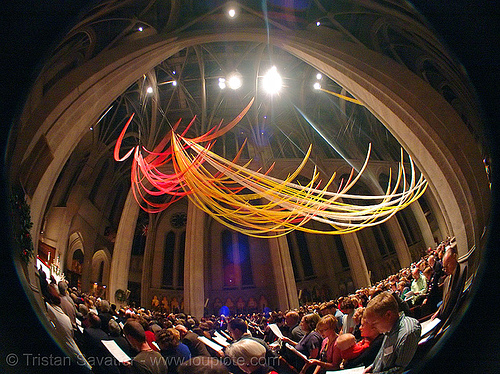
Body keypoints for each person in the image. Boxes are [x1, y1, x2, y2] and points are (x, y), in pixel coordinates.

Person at [362, 291, 420, 374]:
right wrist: (371, 367)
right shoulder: (389, 328)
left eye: (374, 323)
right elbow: (382, 357)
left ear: (388, 315)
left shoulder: (407, 333)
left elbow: (400, 370)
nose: (372, 328)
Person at [431, 244, 467, 325]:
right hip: (442, 318)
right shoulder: (447, 280)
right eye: (444, 267)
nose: (445, 270)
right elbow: (445, 301)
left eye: (447, 265)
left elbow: (455, 302)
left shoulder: (461, 273)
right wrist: (439, 311)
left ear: (454, 257)